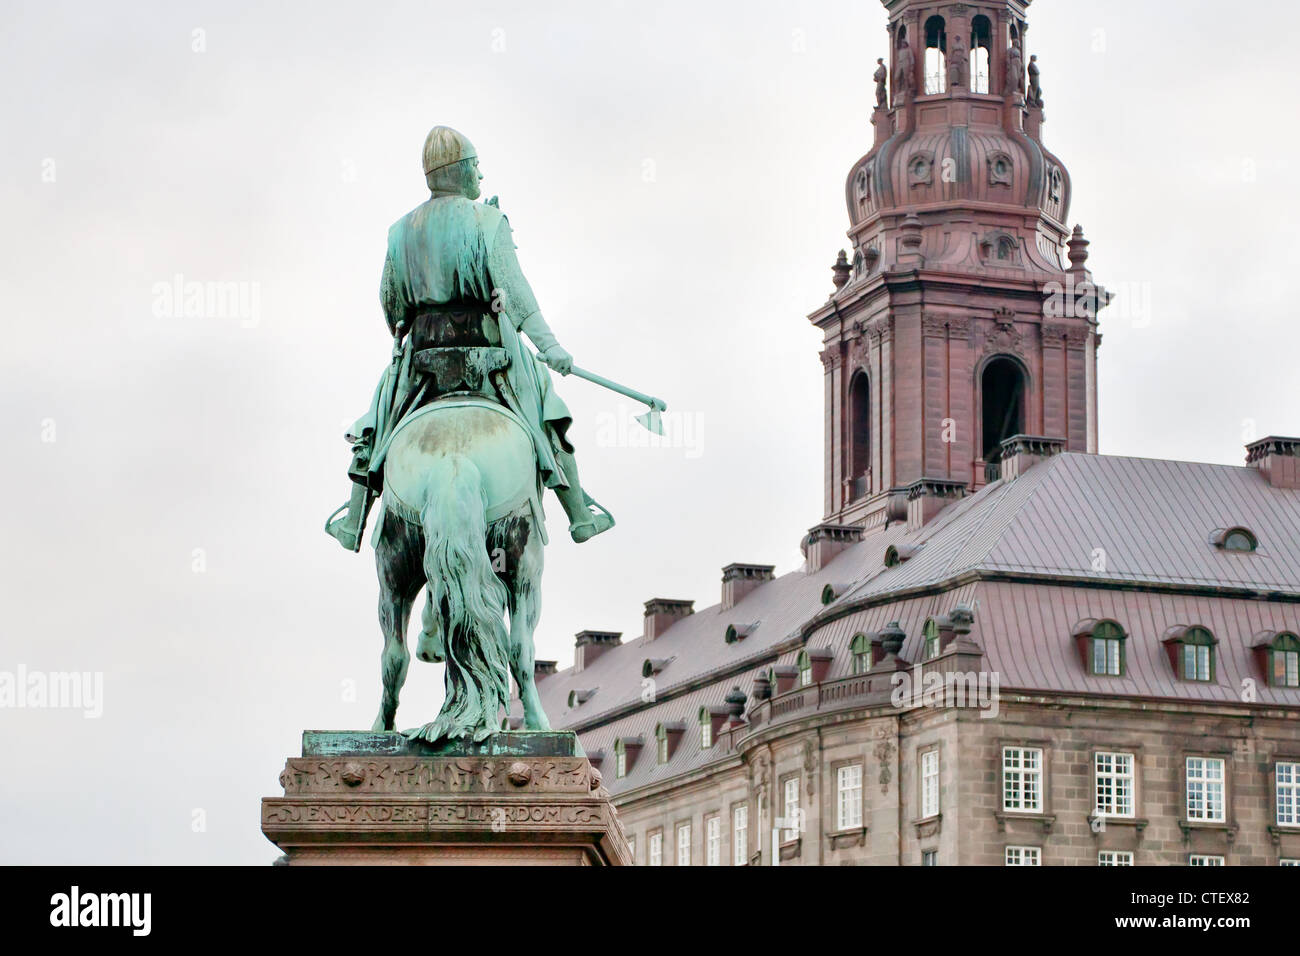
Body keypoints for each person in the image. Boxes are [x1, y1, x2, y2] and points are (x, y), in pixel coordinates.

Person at [326, 126, 614, 550]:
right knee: (547, 410)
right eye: (477, 165)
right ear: (460, 171)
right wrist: (550, 347)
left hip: (423, 358)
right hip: (491, 354)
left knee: (379, 416)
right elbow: (518, 295)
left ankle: (354, 519)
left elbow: (392, 306)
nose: (481, 174)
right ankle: (579, 514)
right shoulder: (489, 220)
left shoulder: (400, 231)